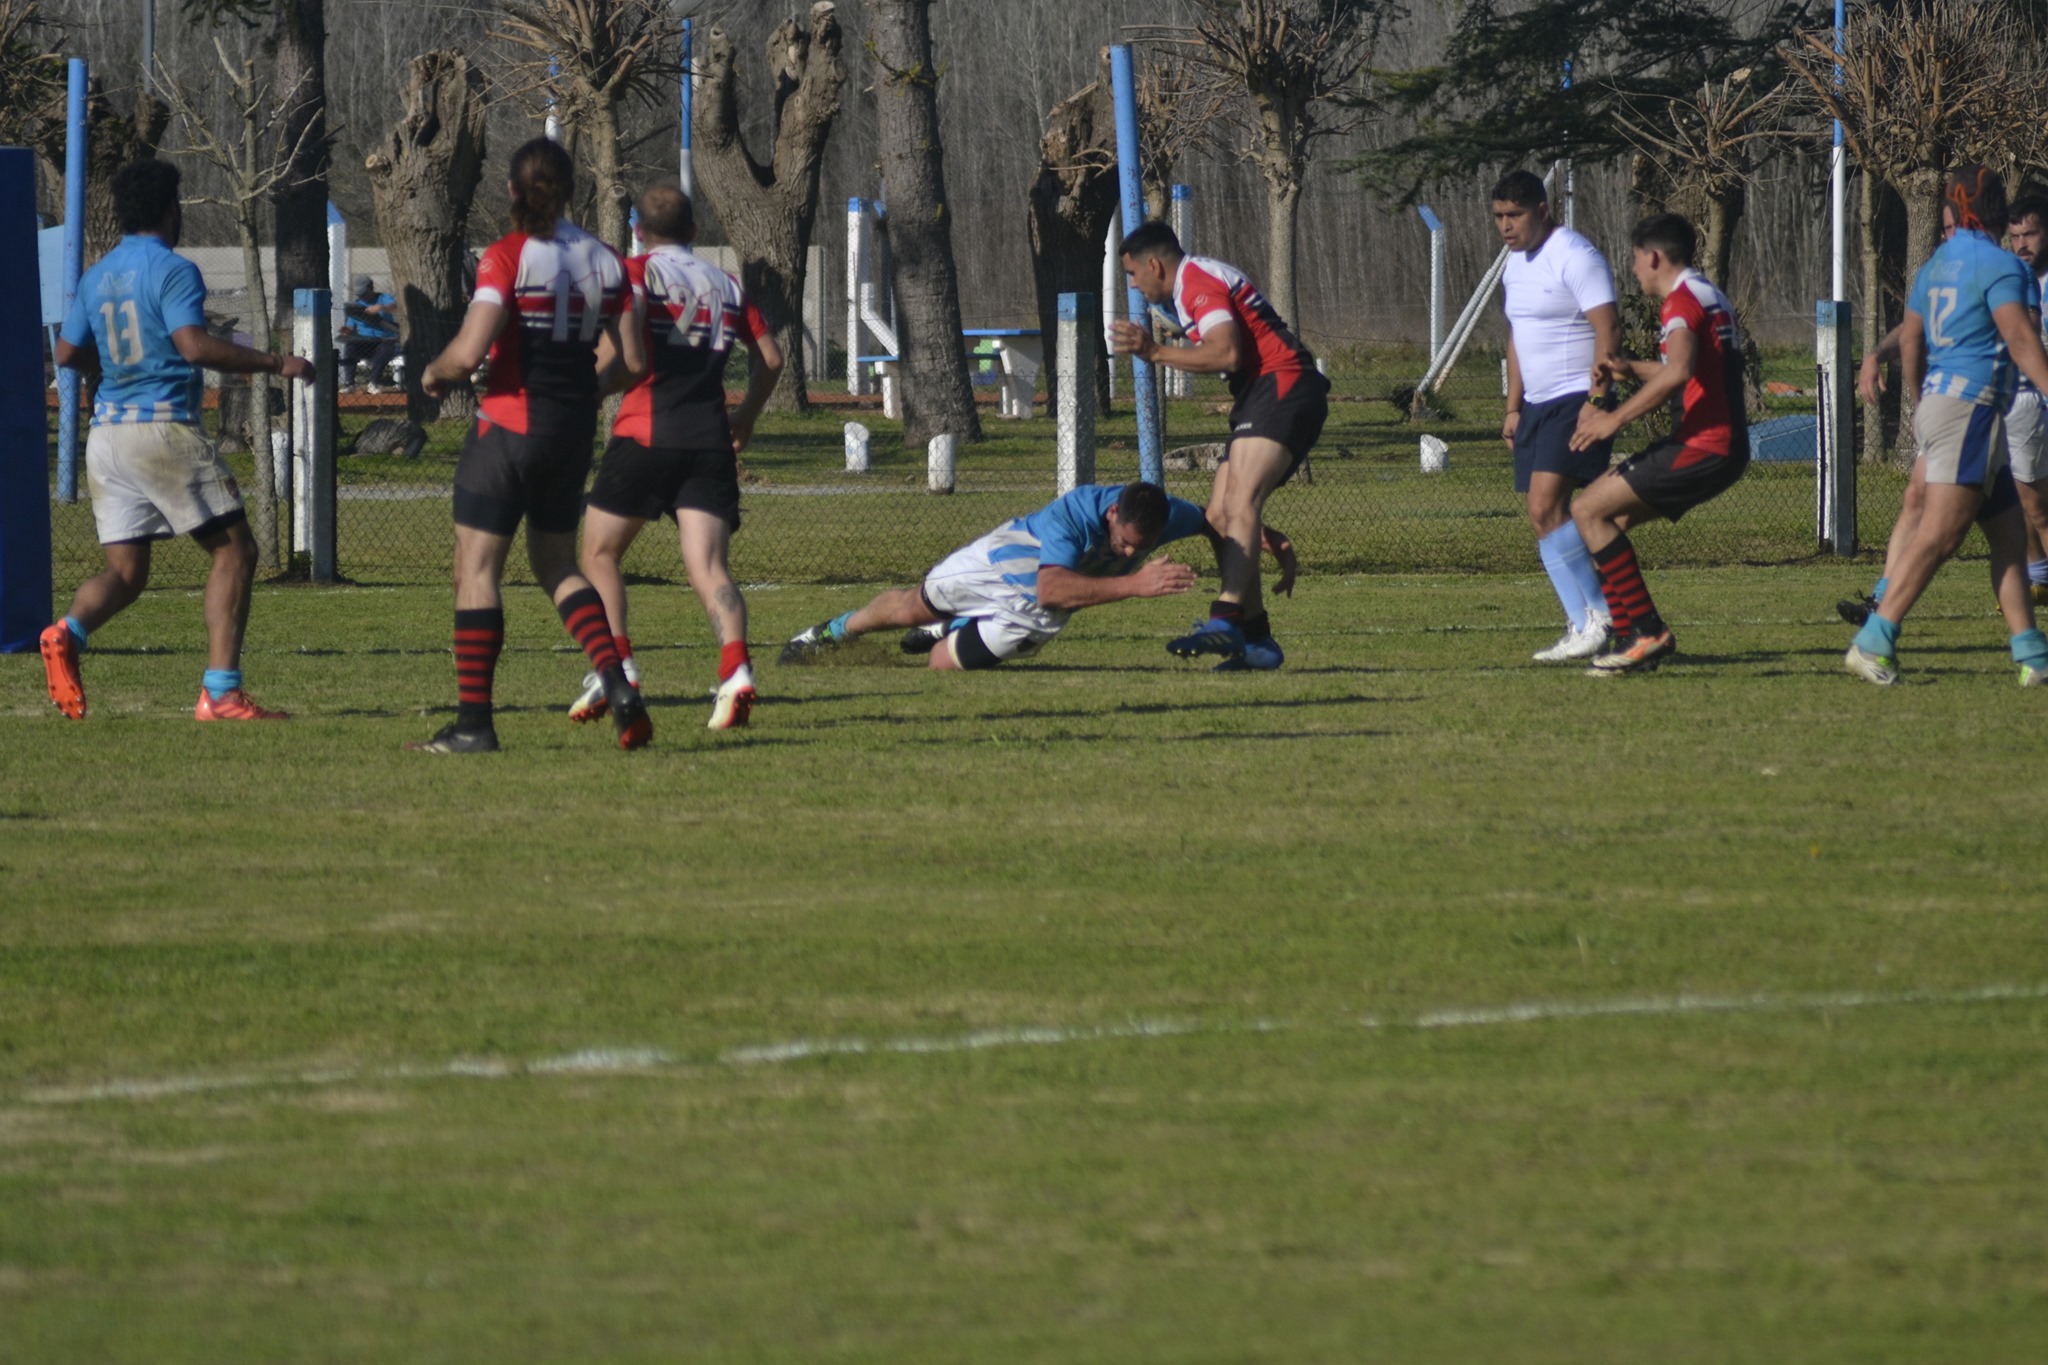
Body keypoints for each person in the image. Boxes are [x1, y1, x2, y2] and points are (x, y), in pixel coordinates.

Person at [41, 158, 314, 723]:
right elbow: (193, 346)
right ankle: (221, 693)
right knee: (236, 550)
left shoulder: (97, 274)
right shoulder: (172, 269)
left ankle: (66, 631)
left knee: (126, 572)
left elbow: (66, 354)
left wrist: (114, 365)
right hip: (160, 429)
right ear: (172, 210)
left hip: (107, 436)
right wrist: (274, 362)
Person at [408, 137, 649, 753]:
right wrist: (589, 393)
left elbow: (467, 354)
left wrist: (434, 373)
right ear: (570, 192)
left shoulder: (507, 256)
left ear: (512, 191)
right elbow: (633, 362)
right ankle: (618, 684)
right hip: (569, 436)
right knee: (558, 565)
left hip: (509, 429)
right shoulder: (606, 260)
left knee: (477, 570)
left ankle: (474, 725)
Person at [571, 183, 784, 731]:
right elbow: (772, 359)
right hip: (709, 441)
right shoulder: (728, 286)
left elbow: (623, 354)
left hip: (645, 433)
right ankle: (736, 670)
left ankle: (616, 667)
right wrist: (747, 416)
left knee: (597, 554)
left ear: (638, 231)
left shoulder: (634, 273)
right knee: (712, 569)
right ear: (694, 232)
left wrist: (587, 390)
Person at [1840, 166, 2048, 687]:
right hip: (1972, 407)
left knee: (2006, 534)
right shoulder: (2001, 265)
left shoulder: (1935, 265)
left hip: (1949, 405)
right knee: (1940, 534)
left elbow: (1912, 341)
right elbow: (2021, 340)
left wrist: (1919, 401)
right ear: (1992, 207)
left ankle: (2033, 656)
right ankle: (1874, 639)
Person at [1108, 221, 1327, 671]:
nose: (1132, 284)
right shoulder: (1190, 287)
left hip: (1283, 382)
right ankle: (1258, 640)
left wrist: (1154, 352)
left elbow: (1225, 352)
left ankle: (1226, 615)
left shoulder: (1195, 281)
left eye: (1132, 274)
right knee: (1219, 516)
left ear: (1154, 265)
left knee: (1240, 501)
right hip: (1261, 391)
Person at [779, 481, 1294, 671]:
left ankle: (952, 634)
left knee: (942, 664)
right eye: (1124, 543)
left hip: (1040, 607)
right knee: (909, 608)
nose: (1130, 551)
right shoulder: (1074, 514)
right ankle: (828, 631)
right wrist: (1136, 584)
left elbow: (1213, 520)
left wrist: (1262, 536)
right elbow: (1053, 586)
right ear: (1112, 514)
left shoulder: (1161, 518)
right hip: (1002, 564)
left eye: (1140, 549)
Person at [1567, 213, 1750, 675]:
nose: (1633, 269)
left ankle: (1646, 632)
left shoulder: (1680, 302)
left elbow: (1680, 372)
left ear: (1653, 257)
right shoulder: (1707, 294)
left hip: (1704, 444)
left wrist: (1613, 420)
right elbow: (1690, 367)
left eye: (1634, 260)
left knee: (1587, 510)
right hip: (1722, 446)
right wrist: (1629, 367)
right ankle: (1633, 641)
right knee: (1612, 521)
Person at [1492, 169, 1623, 662]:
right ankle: (1582, 620)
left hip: (1576, 397)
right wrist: (1512, 406)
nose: (1506, 226)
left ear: (1543, 211)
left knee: (1547, 505)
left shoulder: (1575, 255)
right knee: (1541, 514)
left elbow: (1607, 326)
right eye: (1499, 216)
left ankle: (1603, 612)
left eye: (1515, 215)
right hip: (1537, 405)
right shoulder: (1513, 264)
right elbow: (1517, 336)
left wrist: (1597, 397)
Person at [337, 274, 400, 392]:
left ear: (371, 288)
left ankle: (373, 383)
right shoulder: (356, 306)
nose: (362, 297)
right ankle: (349, 384)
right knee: (350, 346)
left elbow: (395, 306)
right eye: (359, 295)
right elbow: (350, 327)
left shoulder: (383, 298)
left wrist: (381, 308)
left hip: (383, 340)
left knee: (388, 348)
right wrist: (346, 330)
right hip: (365, 342)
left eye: (364, 294)